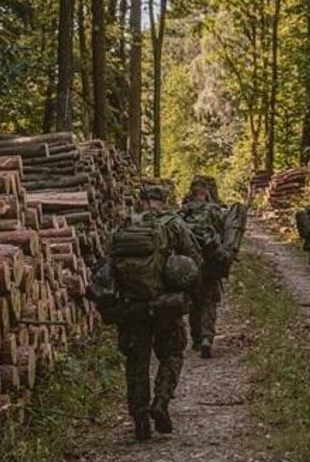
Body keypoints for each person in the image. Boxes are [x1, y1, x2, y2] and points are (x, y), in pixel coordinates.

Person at [89, 184, 203, 441]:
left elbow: (107, 264)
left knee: (136, 362)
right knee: (173, 353)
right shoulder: (174, 224)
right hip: (166, 305)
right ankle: (161, 402)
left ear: (141, 201)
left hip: (131, 309)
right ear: (164, 200)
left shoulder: (124, 226)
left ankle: (140, 419)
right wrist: (190, 295)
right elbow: (195, 261)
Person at [179, 177, 226, 358]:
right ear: (205, 193)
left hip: (190, 263)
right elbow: (223, 235)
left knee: (194, 303)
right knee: (209, 302)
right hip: (211, 262)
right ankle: (207, 337)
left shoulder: (183, 213)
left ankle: (197, 339)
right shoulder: (215, 211)